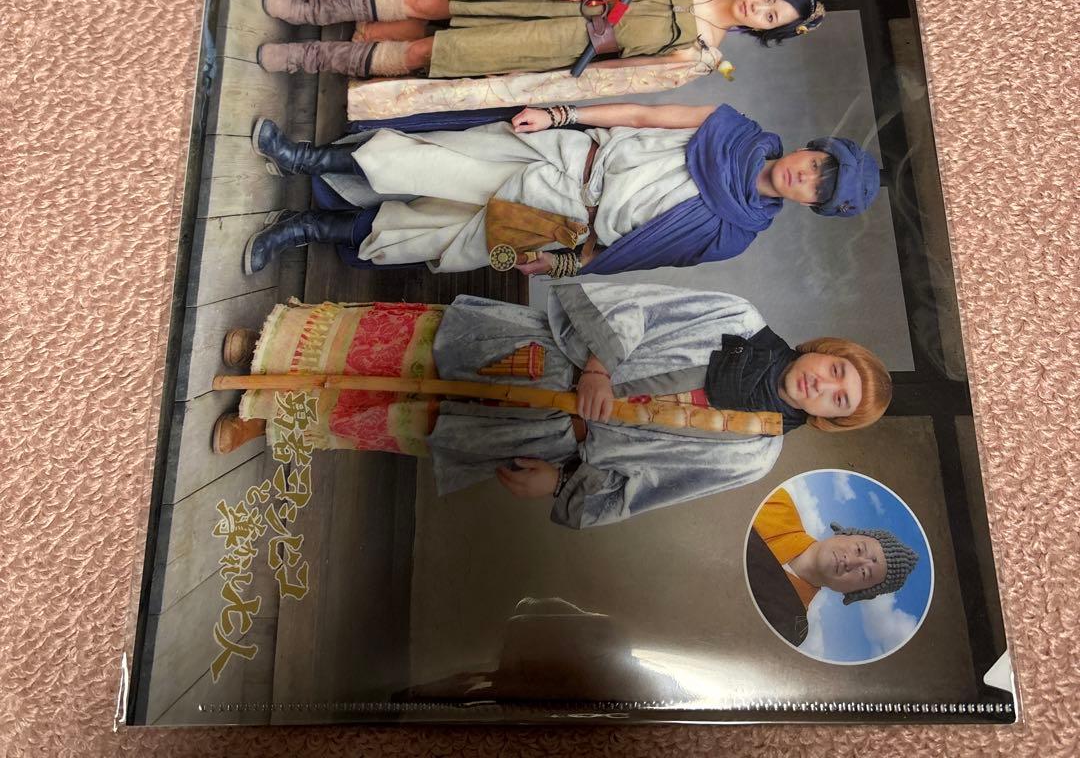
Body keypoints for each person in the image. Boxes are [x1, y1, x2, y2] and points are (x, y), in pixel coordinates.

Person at [212, 281, 892, 529]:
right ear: (826, 350)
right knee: (402, 347)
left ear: (830, 419)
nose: (824, 385)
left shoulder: (754, 452)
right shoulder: (739, 317)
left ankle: (265, 418)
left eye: (839, 400)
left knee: (402, 422)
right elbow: (639, 307)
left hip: (550, 431)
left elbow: (647, 487)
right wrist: (600, 365)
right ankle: (273, 351)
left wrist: (560, 482)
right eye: (837, 370)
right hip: (550, 356)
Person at [241, 100, 881, 279]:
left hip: (563, 226)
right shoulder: (731, 126)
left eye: (818, 191)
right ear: (812, 148)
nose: (807, 177)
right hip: (568, 156)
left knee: (428, 239)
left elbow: (634, 257)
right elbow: (642, 115)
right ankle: (301, 159)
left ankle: (300, 231)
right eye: (817, 165)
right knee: (424, 160)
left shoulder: (734, 235)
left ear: (810, 207)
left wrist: (557, 265)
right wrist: (560, 114)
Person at [255, 0, 824, 83]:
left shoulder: (702, 57)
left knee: (433, 52)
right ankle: (309, 10)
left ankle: (310, 57)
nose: (760, 8)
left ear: (765, 31)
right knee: (434, 2)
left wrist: (542, 82)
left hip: (561, 43)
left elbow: (613, 75)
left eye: (770, 18)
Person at [746, 486, 920, 647]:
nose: (851, 562)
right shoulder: (776, 502)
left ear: (855, 594)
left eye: (864, 573)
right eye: (859, 549)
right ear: (846, 533)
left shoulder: (791, 626)